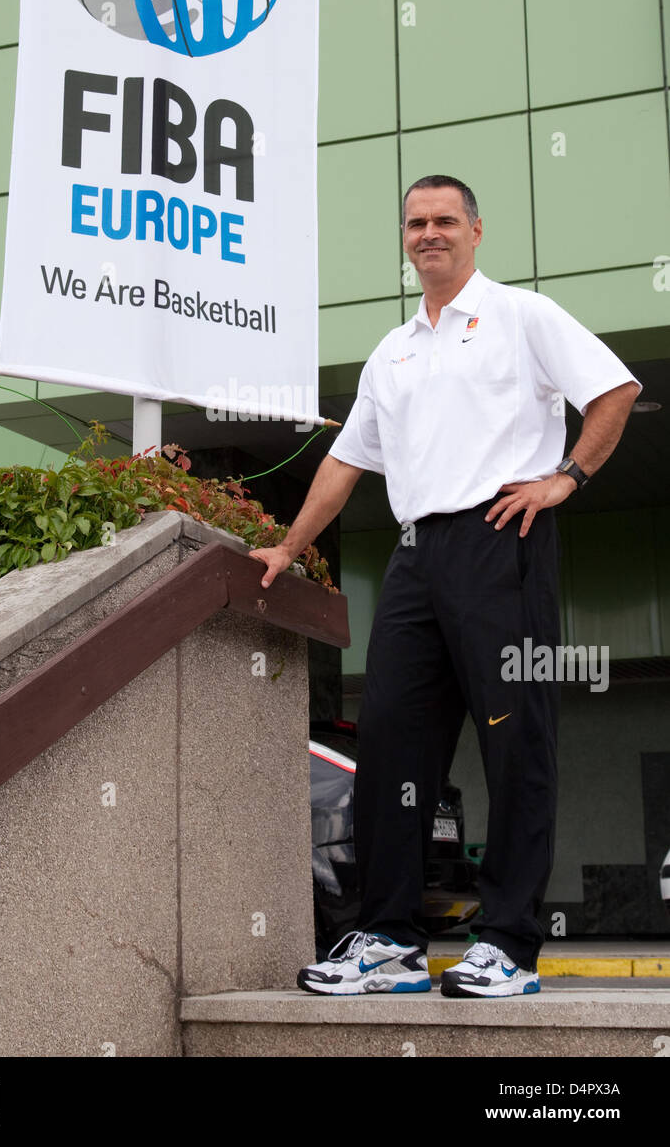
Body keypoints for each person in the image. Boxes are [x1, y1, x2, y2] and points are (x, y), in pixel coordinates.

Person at [248, 175, 641, 998]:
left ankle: (506, 941)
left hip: (504, 542)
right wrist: (287, 546)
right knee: (391, 745)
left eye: (444, 221)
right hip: (415, 558)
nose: (429, 233)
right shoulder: (393, 352)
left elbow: (614, 390)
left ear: (474, 230)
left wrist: (564, 478)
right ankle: (387, 940)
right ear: (404, 238)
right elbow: (346, 462)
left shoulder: (521, 316)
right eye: (415, 223)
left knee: (513, 744)